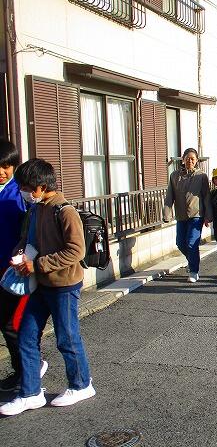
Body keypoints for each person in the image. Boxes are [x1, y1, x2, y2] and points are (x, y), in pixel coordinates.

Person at [0, 159, 94, 416]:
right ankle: (30, 393)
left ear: (41, 187)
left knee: (67, 337)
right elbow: (25, 239)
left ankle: (81, 385)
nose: (23, 192)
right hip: (40, 284)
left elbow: (76, 251)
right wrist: (19, 255)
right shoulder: (36, 210)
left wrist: (38, 264)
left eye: (26, 187)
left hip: (64, 285)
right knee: (26, 336)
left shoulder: (65, 211)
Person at [0, 141, 45, 392]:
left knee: (14, 323)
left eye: (6, 166)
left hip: (18, 269)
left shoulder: (21, 192)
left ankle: (28, 370)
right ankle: (23, 370)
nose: (1, 172)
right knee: (5, 322)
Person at [163, 148, 210, 283]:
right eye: (187, 158)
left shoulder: (201, 176)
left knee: (191, 243)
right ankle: (192, 261)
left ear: (196, 160)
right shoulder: (174, 176)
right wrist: (167, 214)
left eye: (193, 159)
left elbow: (206, 196)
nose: (190, 161)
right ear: (183, 159)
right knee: (180, 243)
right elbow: (170, 196)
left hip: (196, 215)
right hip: (181, 215)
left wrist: (208, 215)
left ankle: (194, 271)